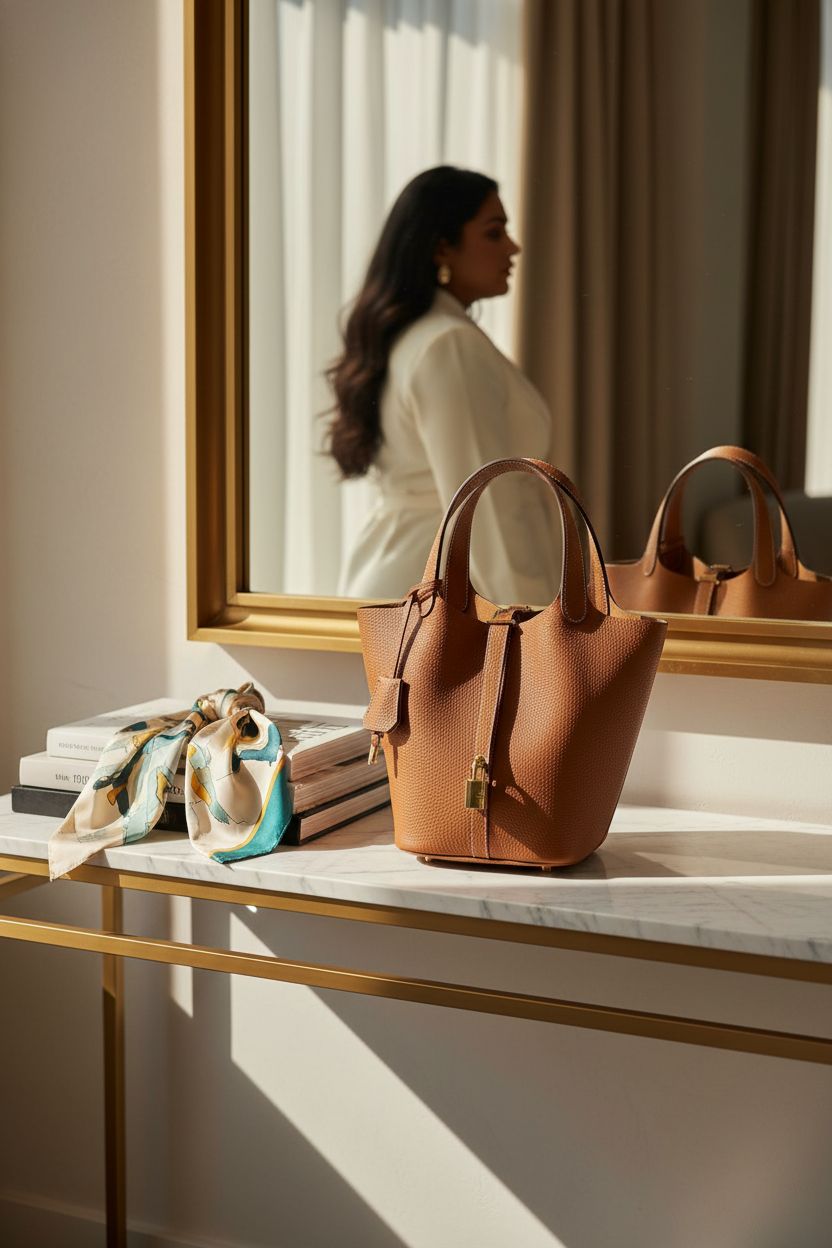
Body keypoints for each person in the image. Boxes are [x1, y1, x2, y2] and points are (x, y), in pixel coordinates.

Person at [327, 165, 560, 605]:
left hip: (403, 576)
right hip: (444, 594)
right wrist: (533, 629)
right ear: (442, 248)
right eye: (494, 233)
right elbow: (486, 504)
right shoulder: (448, 345)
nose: (513, 246)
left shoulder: (419, 337)